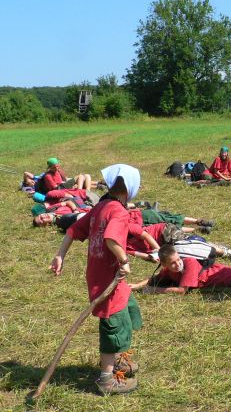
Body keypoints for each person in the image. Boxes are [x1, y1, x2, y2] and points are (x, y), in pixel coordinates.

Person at [50, 164, 142, 394]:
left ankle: (120, 358)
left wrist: (59, 254)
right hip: (107, 282)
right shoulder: (119, 212)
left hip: (101, 276)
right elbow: (111, 239)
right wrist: (124, 260)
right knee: (112, 325)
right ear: (129, 190)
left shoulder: (101, 206)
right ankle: (106, 379)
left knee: (128, 311)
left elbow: (73, 230)